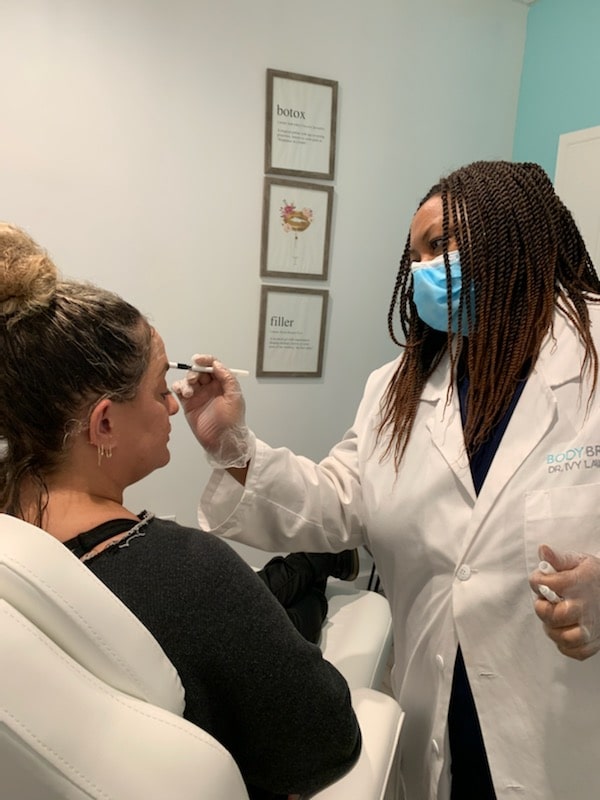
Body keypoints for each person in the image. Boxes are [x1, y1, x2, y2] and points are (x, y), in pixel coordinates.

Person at [173, 160, 600, 800]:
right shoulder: (398, 387)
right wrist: (231, 444)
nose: (427, 270)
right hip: (440, 719)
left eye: (441, 245)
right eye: (417, 255)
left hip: (568, 727)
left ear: (514, 234)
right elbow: (336, 505)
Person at [0, 222, 361, 800]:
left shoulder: (16, 543)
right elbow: (328, 741)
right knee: (286, 603)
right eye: (157, 386)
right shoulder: (187, 571)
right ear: (104, 424)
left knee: (268, 589)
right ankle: (317, 569)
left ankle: (312, 566)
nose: (173, 402)